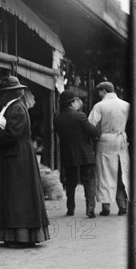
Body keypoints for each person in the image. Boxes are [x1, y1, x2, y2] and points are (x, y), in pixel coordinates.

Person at [0, 76, 50, 247]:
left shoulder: (16, 108)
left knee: (17, 195)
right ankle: (19, 235)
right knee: (17, 194)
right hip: (17, 156)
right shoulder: (14, 107)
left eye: (3, 93)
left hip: (16, 157)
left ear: (9, 94)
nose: (1, 96)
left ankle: (19, 236)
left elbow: (12, 135)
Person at [53, 90, 102, 218]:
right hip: (84, 153)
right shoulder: (80, 116)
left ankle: (70, 209)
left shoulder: (57, 120)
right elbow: (93, 132)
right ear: (72, 103)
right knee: (88, 180)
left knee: (70, 182)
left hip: (67, 153)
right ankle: (90, 209)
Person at [88, 81, 130, 216]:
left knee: (105, 173)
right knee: (121, 173)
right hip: (121, 140)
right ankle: (122, 205)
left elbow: (90, 125)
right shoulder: (126, 105)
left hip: (105, 140)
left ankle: (106, 208)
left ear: (104, 91)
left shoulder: (99, 106)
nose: (98, 94)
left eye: (99, 91)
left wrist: (96, 136)